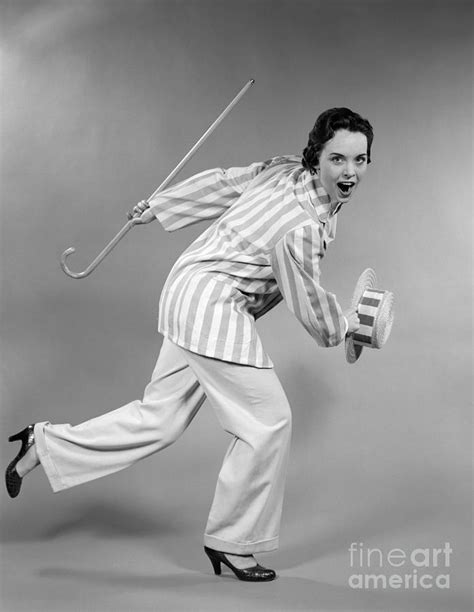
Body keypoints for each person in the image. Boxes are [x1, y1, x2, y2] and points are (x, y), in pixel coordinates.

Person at [6, 107, 373, 582]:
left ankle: (45, 443)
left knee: (159, 418)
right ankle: (234, 544)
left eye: (360, 161)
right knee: (268, 422)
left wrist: (162, 206)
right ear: (316, 157)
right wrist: (343, 328)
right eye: (338, 159)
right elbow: (309, 304)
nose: (349, 173)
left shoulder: (283, 171)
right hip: (213, 305)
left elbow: (225, 182)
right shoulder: (301, 225)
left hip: (186, 288)